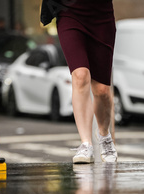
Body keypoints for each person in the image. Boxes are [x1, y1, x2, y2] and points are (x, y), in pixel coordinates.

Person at [41, 0, 118, 163]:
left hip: (101, 16)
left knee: (102, 90)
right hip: (69, 12)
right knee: (80, 76)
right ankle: (85, 143)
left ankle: (104, 136)